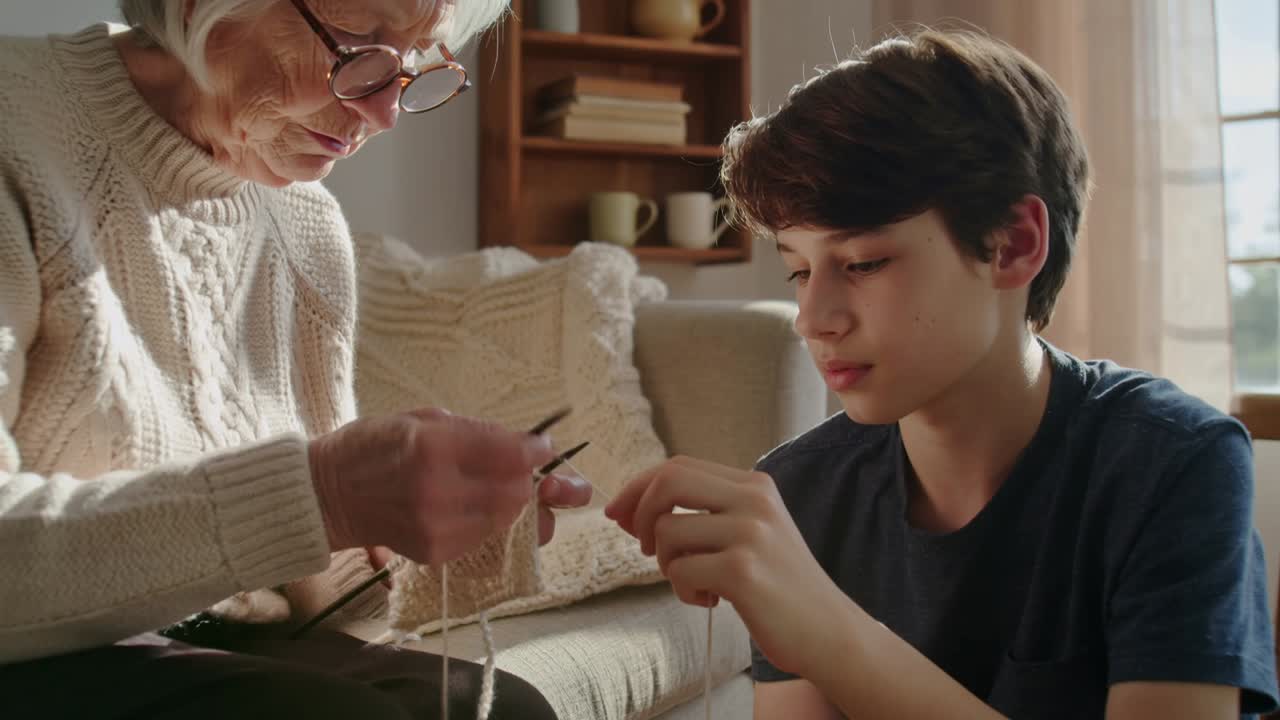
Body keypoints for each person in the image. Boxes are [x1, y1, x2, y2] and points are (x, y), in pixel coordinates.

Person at [605, 29, 1280, 719]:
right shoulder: (800, 491)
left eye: (863, 263)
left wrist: (827, 627)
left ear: (1013, 246)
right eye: (799, 270)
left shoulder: (1175, 465)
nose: (813, 319)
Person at [0, 1, 590, 717]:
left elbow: (318, 592)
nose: (384, 114)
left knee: (499, 710)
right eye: (359, 43)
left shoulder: (305, 227)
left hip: (203, 640)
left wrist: (421, 529)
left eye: (410, 63)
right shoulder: (17, 128)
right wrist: (324, 494)